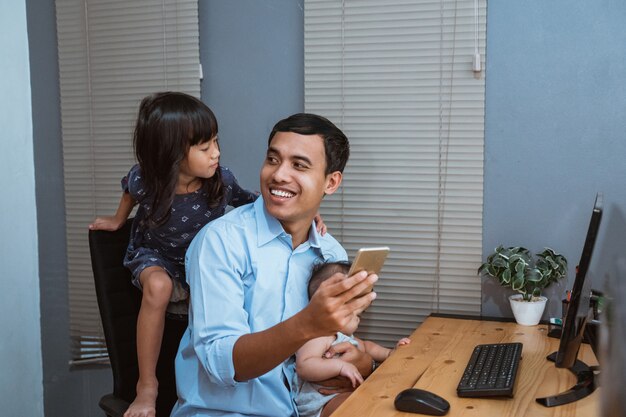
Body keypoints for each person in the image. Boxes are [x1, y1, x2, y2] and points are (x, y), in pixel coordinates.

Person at [171, 113, 378, 417]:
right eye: (272, 160)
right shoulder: (219, 242)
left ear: (331, 182)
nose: (278, 175)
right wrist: (308, 323)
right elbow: (221, 364)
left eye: (299, 165)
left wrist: (361, 360)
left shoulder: (330, 252)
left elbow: (333, 342)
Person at [88, 92, 258, 417]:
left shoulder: (220, 180)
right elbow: (129, 191)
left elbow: (251, 202)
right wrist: (118, 219)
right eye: (205, 148)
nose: (217, 154)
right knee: (159, 288)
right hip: (155, 253)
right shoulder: (146, 180)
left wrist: (296, 216)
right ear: (170, 154)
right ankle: (146, 387)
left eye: (216, 143)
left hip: (198, 264)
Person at [294, 261, 411, 417]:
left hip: (340, 395)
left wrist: (390, 353)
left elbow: (367, 347)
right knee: (357, 406)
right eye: (354, 314)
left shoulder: (345, 337)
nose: (358, 321)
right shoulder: (317, 335)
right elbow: (304, 366)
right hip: (320, 401)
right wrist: (340, 367)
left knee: (376, 401)